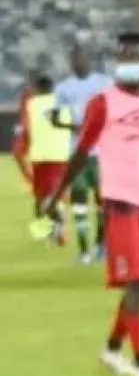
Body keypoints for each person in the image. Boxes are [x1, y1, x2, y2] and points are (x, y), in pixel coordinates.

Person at [42, 32, 139, 376]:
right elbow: (82, 151)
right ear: (115, 60)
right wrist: (56, 195)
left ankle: (111, 349)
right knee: (136, 280)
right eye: (123, 56)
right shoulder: (103, 103)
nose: (128, 62)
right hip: (121, 203)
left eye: (135, 56)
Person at [52, 44, 113, 262]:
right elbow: (55, 119)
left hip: (101, 152)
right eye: (74, 59)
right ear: (70, 63)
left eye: (81, 58)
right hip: (77, 152)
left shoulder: (105, 83)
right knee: (78, 202)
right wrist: (73, 127)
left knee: (103, 200)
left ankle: (101, 245)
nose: (78, 62)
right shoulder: (63, 88)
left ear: (89, 59)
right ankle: (84, 249)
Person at [22, 73, 70, 243]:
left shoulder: (32, 104)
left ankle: (54, 228)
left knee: (42, 196)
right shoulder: (63, 103)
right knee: (57, 193)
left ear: (39, 88)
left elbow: (27, 129)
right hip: (62, 154)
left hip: (41, 155)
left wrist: (25, 147)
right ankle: (52, 230)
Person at [11, 68, 38, 192]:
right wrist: (20, 126)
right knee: (17, 154)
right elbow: (22, 111)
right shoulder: (25, 94)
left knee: (41, 159)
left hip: (39, 129)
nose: (30, 81)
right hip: (25, 129)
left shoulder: (44, 94)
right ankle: (33, 181)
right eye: (30, 78)